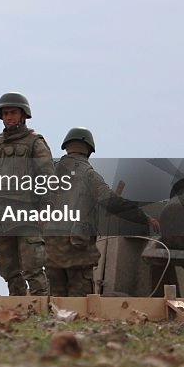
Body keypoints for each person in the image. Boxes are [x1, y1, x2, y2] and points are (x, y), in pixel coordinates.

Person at [45, 127, 159, 296]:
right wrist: (143, 217)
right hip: (77, 252)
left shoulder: (49, 172)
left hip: (50, 251)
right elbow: (112, 202)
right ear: (89, 150)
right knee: (80, 307)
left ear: (66, 146)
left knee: (54, 304)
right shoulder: (89, 175)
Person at [0, 92, 55, 296]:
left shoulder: (34, 143)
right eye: (5, 113)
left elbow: (48, 178)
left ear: (23, 115)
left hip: (27, 216)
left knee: (33, 267)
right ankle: (17, 308)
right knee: (8, 270)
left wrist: (46, 209)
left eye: (13, 112)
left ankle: (41, 310)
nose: (9, 117)